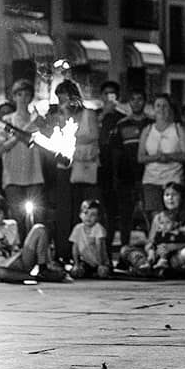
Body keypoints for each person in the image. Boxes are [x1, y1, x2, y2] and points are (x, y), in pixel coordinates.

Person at [52, 80, 102, 259]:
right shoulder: (60, 117)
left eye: (65, 99)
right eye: (60, 100)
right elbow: (57, 140)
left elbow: (94, 136)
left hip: (86, 167)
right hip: (66, 168)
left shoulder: (89, 114)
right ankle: (64, 251)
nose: (63, 103)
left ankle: (88, 253)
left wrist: (73, 142)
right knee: (66, 210)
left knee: (85, 208)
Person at [119, 181, 185, 277]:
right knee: (126, 250)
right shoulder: (158, 217)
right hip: (157, 253)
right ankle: (145, 266)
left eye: (174, 195)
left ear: (181, 197)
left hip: (175, 254)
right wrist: (151, 251)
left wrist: (172, 247)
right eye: (167, 195)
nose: (170, 198)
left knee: (182, 257)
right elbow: (150, 241)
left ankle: (155, 270)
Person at [0, 80, 44, 224]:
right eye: (19, 94)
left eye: (27, 95)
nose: (23, 98)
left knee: (36, 217)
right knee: (17, 218)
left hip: (34, 175)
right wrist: (19, 135)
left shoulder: (37, 120)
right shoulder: (7, 121)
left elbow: (43, 144)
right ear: (14, 97)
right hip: (12, 176)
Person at [0, 193, 64, 283]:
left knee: (39, 229)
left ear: (4, 212)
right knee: (1, 272)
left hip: (19, 260)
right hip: (2, 268)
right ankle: (35, 277)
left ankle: (43, 269)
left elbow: (16, 246)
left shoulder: (12, 224)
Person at [137, 94, 185, 225]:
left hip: (173, 178)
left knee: (173, 216)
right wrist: (156, 157)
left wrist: (169, 156)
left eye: (165, 106)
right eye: (158, 106)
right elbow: (140, 157)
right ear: (153, 109)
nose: (161, 109)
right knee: (155, 218)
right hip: (151, 180)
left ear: (170, 108)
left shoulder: (178, 129)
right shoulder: (147, 130)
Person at [110, 89, 152, 247]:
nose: (136, 102)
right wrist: (116, 175)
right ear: (129, 103)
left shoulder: (152, 124)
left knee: (149, 214)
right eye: (133, 99)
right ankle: (124, 250)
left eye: (139, 98)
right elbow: (116, 152)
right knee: (125, 216)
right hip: (126, 177)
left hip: (148, 175)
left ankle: (152, 249)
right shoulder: (122, 125)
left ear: (145, 101)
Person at [96, 80, 124, 235]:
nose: (108, 97)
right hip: (97, 164)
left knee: (113, 205)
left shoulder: (122, 118)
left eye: (112, 94)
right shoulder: (94, 115)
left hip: (115, 166)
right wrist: (103, 114)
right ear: (101, 96)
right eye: (106, 94)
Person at [68, 199, 111, 279]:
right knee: (75, 272)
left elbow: (100, 247)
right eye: (86, 213)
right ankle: (90, 273)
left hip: (101, 261)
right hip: (86, 262)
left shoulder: (98, 228)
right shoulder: (77, 228)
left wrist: (101, 264)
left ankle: (98, 271)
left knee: (103, 272)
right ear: (80, 215)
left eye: (93, 215)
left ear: (98, 217)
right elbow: (75, 247)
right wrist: (76, 264)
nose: (88, 217)